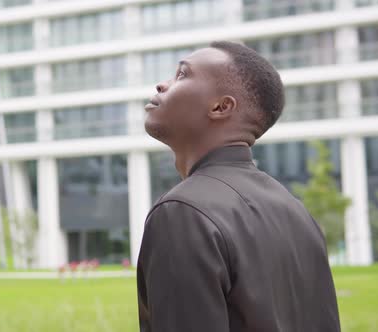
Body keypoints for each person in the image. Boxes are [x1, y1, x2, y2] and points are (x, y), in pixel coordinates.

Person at [137, 41, 340, 332]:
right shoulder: (295, 211)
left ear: (221, 107)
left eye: (182, 75)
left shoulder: (182, 212)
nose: (161, 85)